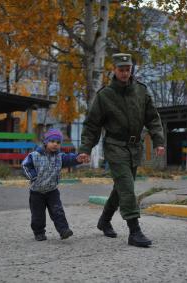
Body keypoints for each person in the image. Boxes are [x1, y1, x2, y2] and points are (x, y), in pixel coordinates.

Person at [78, 53, 165, 248]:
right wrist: (85, 149)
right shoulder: (105, 95)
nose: (125, 73)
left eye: (128, 69)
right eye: (121, 69)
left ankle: (104, 220)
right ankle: (135, 232)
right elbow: (92, 125)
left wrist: (159, 141)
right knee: (126, 186)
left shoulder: (141, 91)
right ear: (114, 70)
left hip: (134, 148)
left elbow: (152, 118)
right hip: (114, 146)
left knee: (120, 188)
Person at [22, 128, 86, 241]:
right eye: (52, 141)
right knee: (38, 215)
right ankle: (39, 232)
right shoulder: (35, 155)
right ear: (46, 142)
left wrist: (77, 158)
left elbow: (69, 159)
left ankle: (63, 230)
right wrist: (33, 176)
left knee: (58, 211)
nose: (55, 144)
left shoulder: (59, 157)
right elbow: (25, 165)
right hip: (37, 192)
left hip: (52, 191)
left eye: (58, 142)